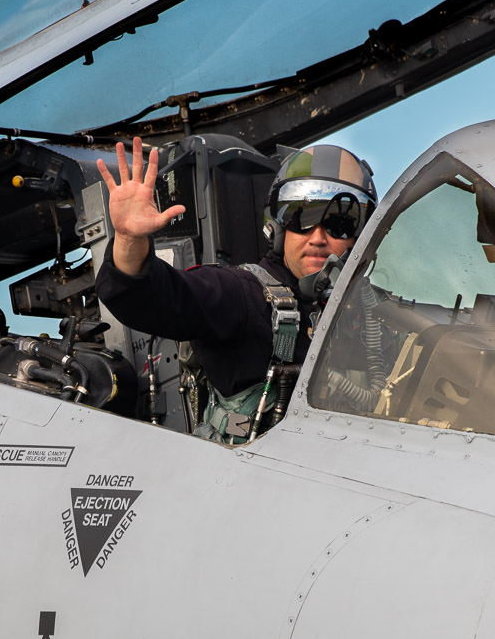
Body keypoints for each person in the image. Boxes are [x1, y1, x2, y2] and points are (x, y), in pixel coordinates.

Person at [94, 136, 377, 443]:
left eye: (340, 224)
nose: (318, 238)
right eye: (300, 217)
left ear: (359, 239)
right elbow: (152, 297)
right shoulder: (243, 295)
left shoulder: (371, 316)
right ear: (279, 227)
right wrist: (129, 241)